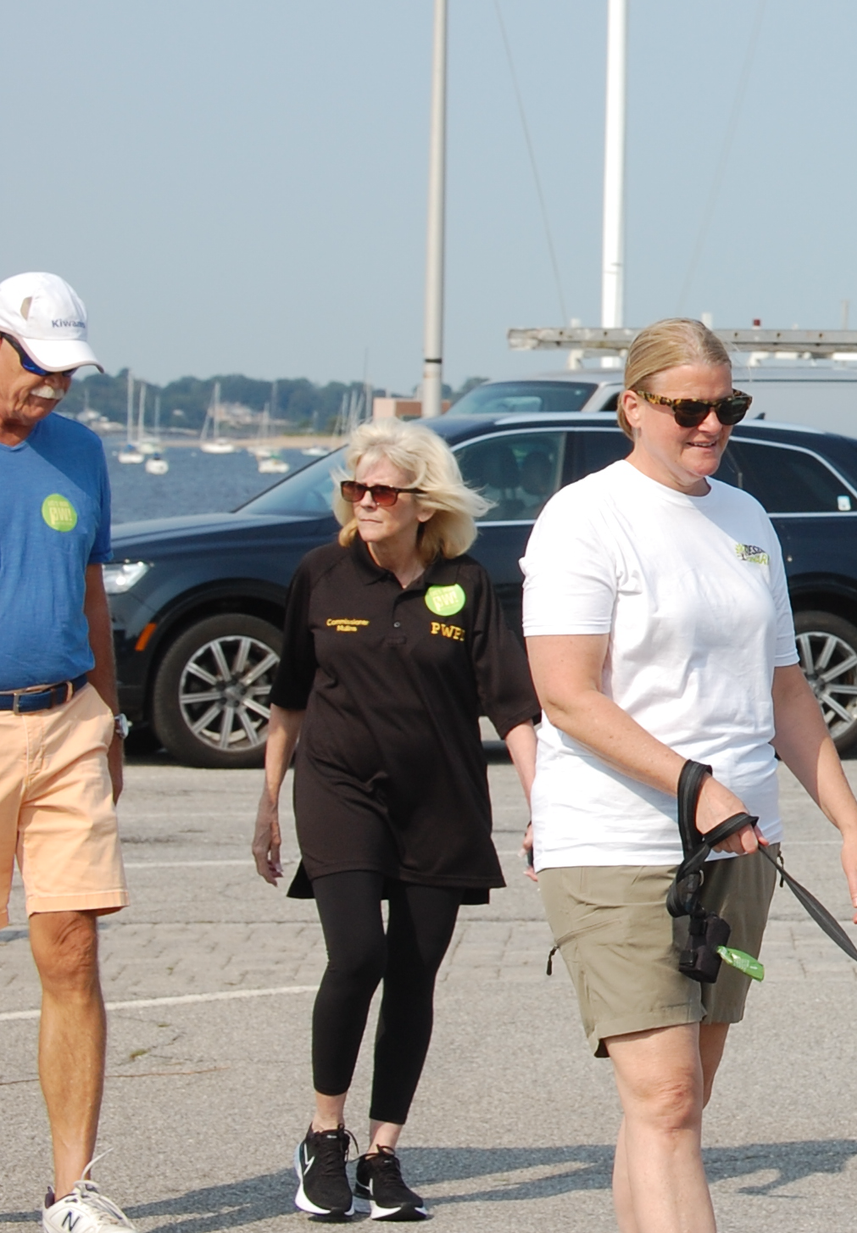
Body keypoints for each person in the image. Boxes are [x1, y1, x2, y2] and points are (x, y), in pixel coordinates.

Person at [522, 318, 857, 1233]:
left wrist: (851, 824)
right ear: (633, 408)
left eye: (729, 406)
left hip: (740, 844)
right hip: (618, 842)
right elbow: (566, 695)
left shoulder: (746, 517)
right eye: (691, 407)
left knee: (673, 1108)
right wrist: (700, 786)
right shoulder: (585, 515)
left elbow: (787, 690)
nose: (713, 426)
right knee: (668, 1101)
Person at [250, 420, 540, 1221]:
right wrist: (268, 802)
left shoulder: (467, 584)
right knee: (358, 954)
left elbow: (511, 705)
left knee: (414, 972)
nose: (366, 502)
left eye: (383, 491)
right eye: (356, 488)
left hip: (441, 801)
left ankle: (382, 1151)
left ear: (423, 503)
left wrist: (541, 806)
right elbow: (289, 698)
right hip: (339, 787)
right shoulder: (322, 573)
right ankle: (324, 1135)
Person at [0, 274, 138, 1233]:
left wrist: (112, 717)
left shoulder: (81, 450)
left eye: (67, 374)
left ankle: (71, 1191)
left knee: (72, 947)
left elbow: (93, 592)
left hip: (66, 720)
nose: (54, 391)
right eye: (38, 371)